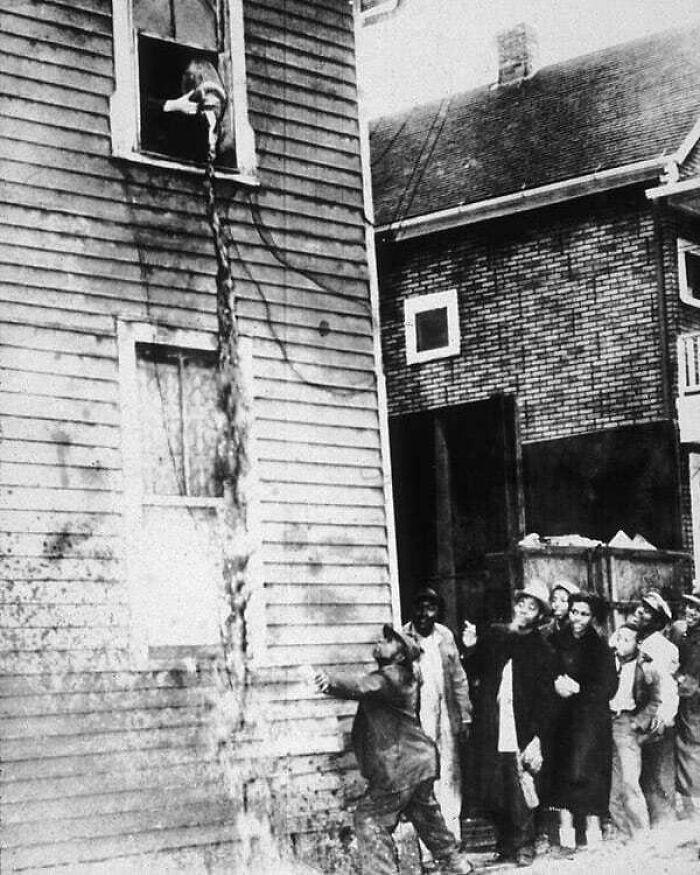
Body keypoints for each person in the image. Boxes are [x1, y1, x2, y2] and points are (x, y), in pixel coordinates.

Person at [314, 624, 474, 875]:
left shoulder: (391, 677)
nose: (380, 641)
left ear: (400, 655)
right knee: (426, 816)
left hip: (401, 766)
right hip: (418, 762)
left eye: (389, 641)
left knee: (370, 818)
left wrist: (329, 682)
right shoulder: (403, 675)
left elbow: (361, 685)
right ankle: (456, 863)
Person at [465, 580, 557, 868]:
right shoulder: (495, 635)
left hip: (522, 725)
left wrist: (538, 736)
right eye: (522, 604)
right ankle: (505, 844)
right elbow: (474, 669)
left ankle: (525, 845)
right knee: (495, 786)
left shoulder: (542, 649)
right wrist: (470, 647)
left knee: (522, 785)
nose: (524, 610)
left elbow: (547, 698)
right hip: (493, 721)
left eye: (532, 607)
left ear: (539, 615)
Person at [547, 592, 617, 849]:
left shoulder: (600, 648)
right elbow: (542, 672)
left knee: (589, 771)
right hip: (562, 718)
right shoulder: (554, 641)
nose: (577, 618)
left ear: (593, 617)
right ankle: (566, 831)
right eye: (574, 612)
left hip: (590, 719)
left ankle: (592, 829)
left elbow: (609, 686)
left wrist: (581, 689)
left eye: (584, 614)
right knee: (563, 770)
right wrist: (555, 684)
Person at [404, 587, 472, 843]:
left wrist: (464, 715)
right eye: (419, 607)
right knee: (424, 774)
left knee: (450, 770)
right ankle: (429, 842)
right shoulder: (403, 638)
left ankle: (452, 835)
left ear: (438, 611)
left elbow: (458, 678)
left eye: (431, 608)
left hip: (446, 714)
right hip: (418, 717)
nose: (424, 614)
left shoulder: (445, 636)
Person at [628, 590, 679, 826]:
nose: (641, 612)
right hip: (638, 716)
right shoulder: (634, 641)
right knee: (644, 771)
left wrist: (663, 716)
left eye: (648, 611)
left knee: (660, 771)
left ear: (658, 620)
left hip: (657, 717)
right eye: (641, 607)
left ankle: (664, 821)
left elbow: (667, 687)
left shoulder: (663, 648)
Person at [608, 623, 662, 836]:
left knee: (630, 780)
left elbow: (655, 700)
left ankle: (640, 831)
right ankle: (621, 829)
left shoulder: (645, 667)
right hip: (606, 721)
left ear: (638, 643)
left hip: (627, 724)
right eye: (619, 638)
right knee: (613, 779)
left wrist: (637, 722)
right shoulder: (608, 660)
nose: (620, 643)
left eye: (626, 640)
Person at [674, 588, 700, 817]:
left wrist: (679, 677)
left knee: (692, 750)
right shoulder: (684, 634)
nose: (691, 612)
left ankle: (695, 807)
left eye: (697, 609)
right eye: (690, 606)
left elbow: (689, 680)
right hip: (686, 704)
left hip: (694, 706)